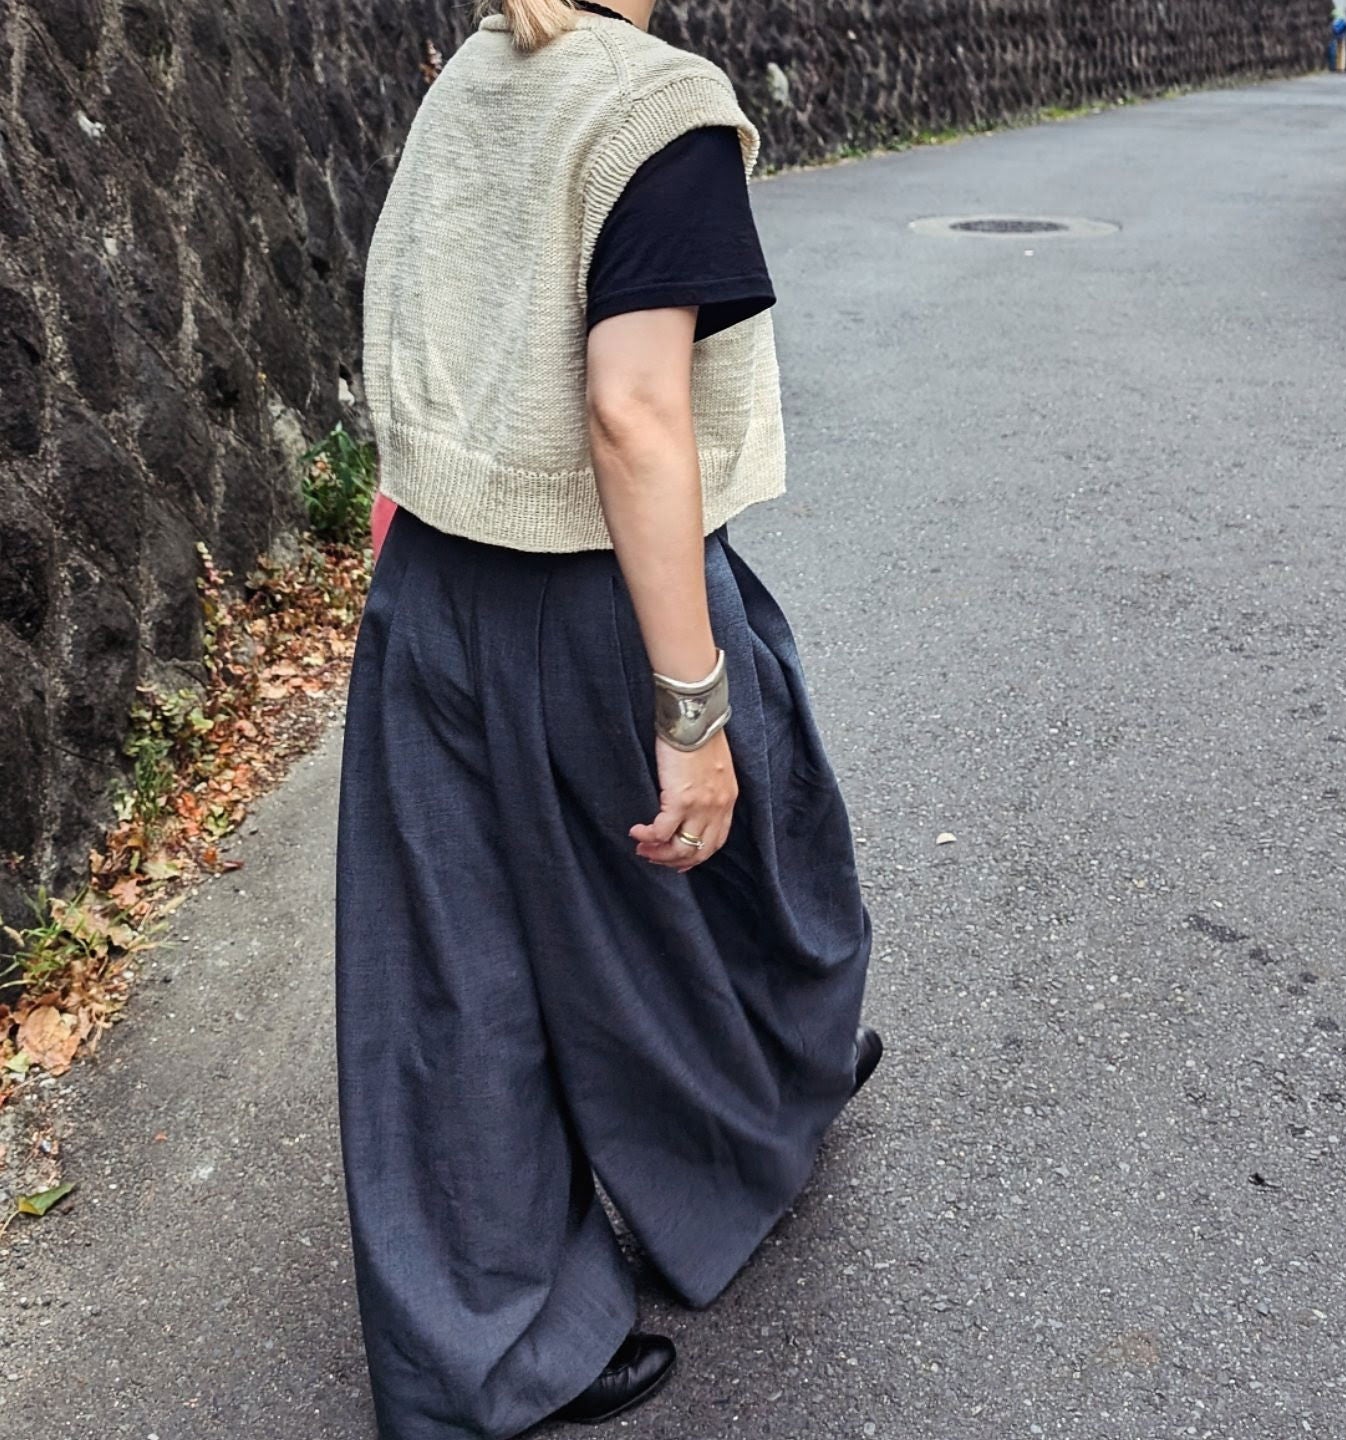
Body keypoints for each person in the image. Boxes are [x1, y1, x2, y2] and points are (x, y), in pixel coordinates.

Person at [333, 3, 880, 1437]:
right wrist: (689, 709)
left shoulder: (472, 76)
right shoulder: (659, 109)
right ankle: (769, 1100)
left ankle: (490, 1351)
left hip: (430, 579)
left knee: (457, 970)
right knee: (751, 847)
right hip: (595, 592)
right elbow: (633, 412)